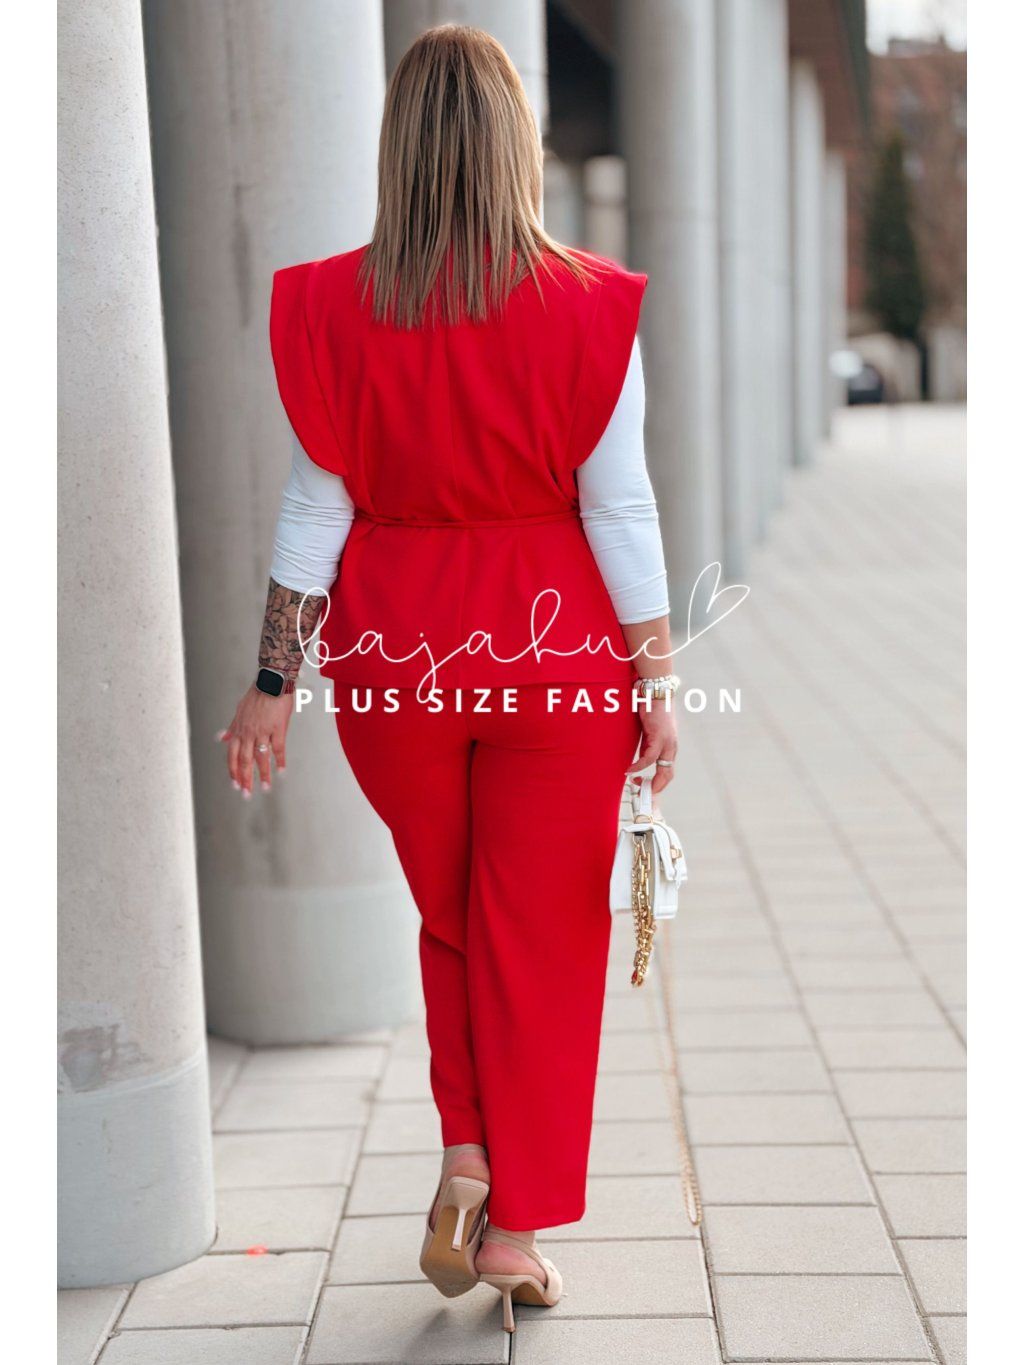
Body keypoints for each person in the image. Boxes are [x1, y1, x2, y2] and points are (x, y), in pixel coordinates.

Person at [219, 24, 677, 1335]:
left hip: (393, 655)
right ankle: (513, 1224)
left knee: (455, 914)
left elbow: (315, 510)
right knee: (538, 932)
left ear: (399, 148)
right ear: (516, 144)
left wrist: (270, 679)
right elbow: (620, 508)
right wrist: (656, 679)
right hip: (553, 655)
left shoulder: (328, 307)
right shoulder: (590, 305)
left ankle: (468, 1151)